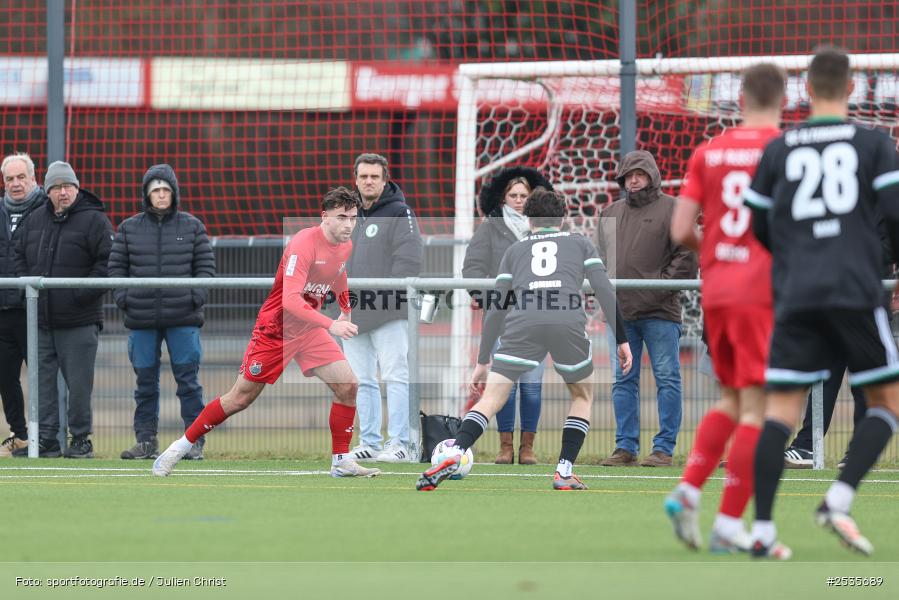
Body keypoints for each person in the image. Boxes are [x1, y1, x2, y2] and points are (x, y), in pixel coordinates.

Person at [745, 47, 899, 558]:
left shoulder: (780, 147)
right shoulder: (873, 143)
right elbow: (895, 214)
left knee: (779, 413)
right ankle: (838, 499)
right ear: (851, 87)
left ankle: (762, 531)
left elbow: (759, 223)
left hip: (798, 294)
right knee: (888, 402)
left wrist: (795, 260)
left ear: (806, 89)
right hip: (855, 289)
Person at [153, 187, 380, 478]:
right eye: (341, 218)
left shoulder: (345, 244)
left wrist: (345, 308)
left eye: (353, 218)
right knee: (240, 398)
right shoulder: (303, 244)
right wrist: (331, 324)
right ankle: (178, 448)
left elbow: (338, 273)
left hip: (309, 329)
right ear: (325, 217)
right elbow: (290, 300)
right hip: (277, 330)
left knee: (348, 386)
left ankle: (341, 460)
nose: (349, 225)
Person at [416, 188, 633, 491]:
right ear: (562, 219)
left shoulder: (515, 250)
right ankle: (564, 471)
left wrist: (482, 360)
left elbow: (497, 308)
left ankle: (456, 451)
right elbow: (604, 289)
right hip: (566, 321)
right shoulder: (580, 243)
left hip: (522, 323)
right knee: (582, 396)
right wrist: (622, 339)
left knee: (491, 399)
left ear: (529, 220)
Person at [663, 63, 786, 553]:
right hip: (760, 291)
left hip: (716, 288)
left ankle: (690, 490)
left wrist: (715, 248)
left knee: (732, 399)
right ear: (782, 100)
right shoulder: (783, 150)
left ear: (740, 99)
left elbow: (679, 230)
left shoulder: (708, 151)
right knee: (759, 408)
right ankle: (729, 522)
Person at [597, 150, 698, 467]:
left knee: (667, 379)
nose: (634, 180)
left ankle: (663, 449)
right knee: (622, 381)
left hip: (660, 313)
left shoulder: (675, 209)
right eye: (628, 175)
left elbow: (687, 256)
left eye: (639, 174)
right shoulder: (610, 213)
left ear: (652, 175)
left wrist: (658, 288)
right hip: (622, 313)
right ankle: (625, 447)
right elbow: (603, 260)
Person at [108, 164, 216, 461]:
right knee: (145, 385)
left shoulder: (192, 226)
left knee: (188, 383)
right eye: (155, 190)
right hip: (141, 319)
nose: (161, 195)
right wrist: (125, 299)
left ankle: (194, 442)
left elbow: (205, 267)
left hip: (183, 318)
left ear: (174, 193)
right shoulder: (128, 228)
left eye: (166, 189)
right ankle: (145, 442)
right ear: (147, 194)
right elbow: (116, 268)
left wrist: (195, 297)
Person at [12, 161, 113, 458]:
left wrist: (78, 296)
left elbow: (107, 263)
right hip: (42, 321)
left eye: (67, 186)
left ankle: (80, 439)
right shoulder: (35, 219)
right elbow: (18, 254)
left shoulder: (95, 220)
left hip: (80, 321)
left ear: (77, 188)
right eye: (56, 187)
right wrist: (28, 289)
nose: (62, 192)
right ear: (47, 191)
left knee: (79, 386)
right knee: (42, 384)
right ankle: (47, 440)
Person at [462, 166, 553, 464]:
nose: (519, 200)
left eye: (524, 196)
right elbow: (472, 269)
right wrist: (491, 299)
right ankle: (505, 447)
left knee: (532, 387)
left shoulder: (546, 230)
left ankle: (527, 448)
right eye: (513, 195)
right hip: (502, 320)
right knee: (504, 388)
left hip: (538, 318)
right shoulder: (490, 228)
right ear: (503, 198)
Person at [343, 153, 422, 463]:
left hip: (389, 312)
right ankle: (370, 442)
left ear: (385, 179)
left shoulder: (401, 213)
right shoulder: (347, 214)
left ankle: (399, 443)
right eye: (363, 176)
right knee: (361, 379)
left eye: (374, 176)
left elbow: (410, 262)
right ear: (356, 179)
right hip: (353, 313)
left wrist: (384, 300)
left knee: (395, 376)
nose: (368, 181)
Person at [0, 153, 47, 457]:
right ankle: (19, 435)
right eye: (9, 179)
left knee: (44, 377)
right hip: (3, 310)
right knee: (5, 376)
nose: (15, 184)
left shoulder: (47, 210)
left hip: (36, 311)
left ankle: (49, 436)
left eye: (21, 177)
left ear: (33, 178)